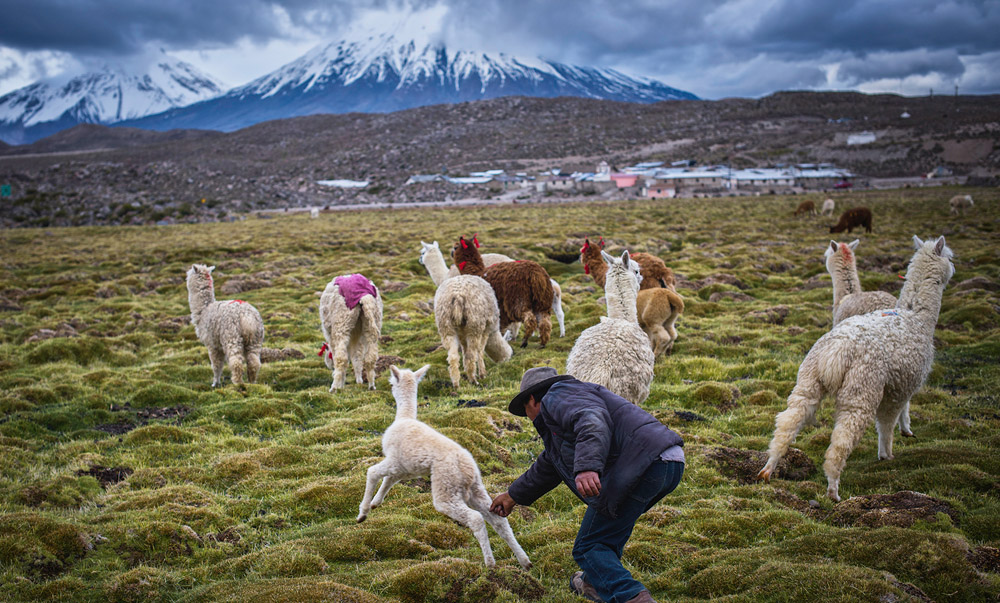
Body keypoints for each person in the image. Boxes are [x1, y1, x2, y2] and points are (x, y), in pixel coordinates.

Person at [490, 367, 684, 603]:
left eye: (525, 410)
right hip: (665, 461)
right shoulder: (564, 417)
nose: (528, 418)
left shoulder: (557, 394)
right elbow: (549, 466)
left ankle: (632, 596)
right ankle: (592, 583)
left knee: (588, 544)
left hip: (643, 463)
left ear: (532, 399)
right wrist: (512, 496)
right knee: (605, 530)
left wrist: (587, 467)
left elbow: (591, 418)